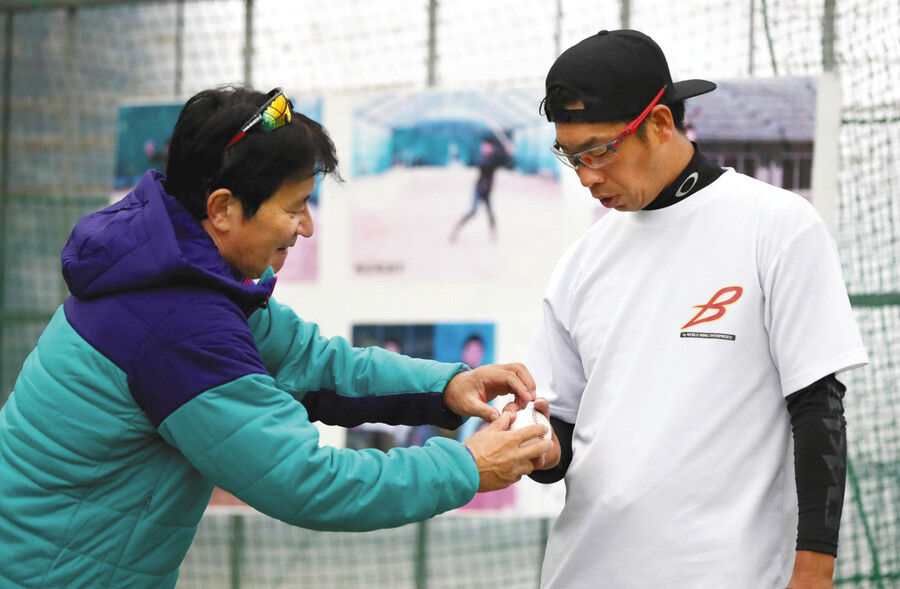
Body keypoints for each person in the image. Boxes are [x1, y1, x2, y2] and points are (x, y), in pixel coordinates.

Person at [0, 86, 553, 587]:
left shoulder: (181, 275)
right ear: (222, 209)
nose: (306, 227)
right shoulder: (178, 323)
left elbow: (314, 364)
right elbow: (304, 481)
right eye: (295, 207)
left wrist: (446, 387)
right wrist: (466, 468)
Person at [526, 30, 868, 588]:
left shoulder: (777, 225)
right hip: (582, 571)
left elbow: (818, 408)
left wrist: (814, 567)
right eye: (570, 155)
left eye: (599, 150)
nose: (586, 175)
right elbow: (561, 429)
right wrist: (534, 447)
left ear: (660, 123)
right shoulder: (582, 261)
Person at [449, 133, 513, 243]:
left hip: (487, 190)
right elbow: (498, 159)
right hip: (479, 189)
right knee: (473, 211)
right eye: (483, 146)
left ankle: (493, 235)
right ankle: (457, 228)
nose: (483, 148)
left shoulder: (494, 157)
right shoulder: (485, 157)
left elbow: (507, 162)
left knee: (490, 213)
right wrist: (507, 152)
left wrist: (508, 153)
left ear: (491, 147)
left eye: (486, 146)